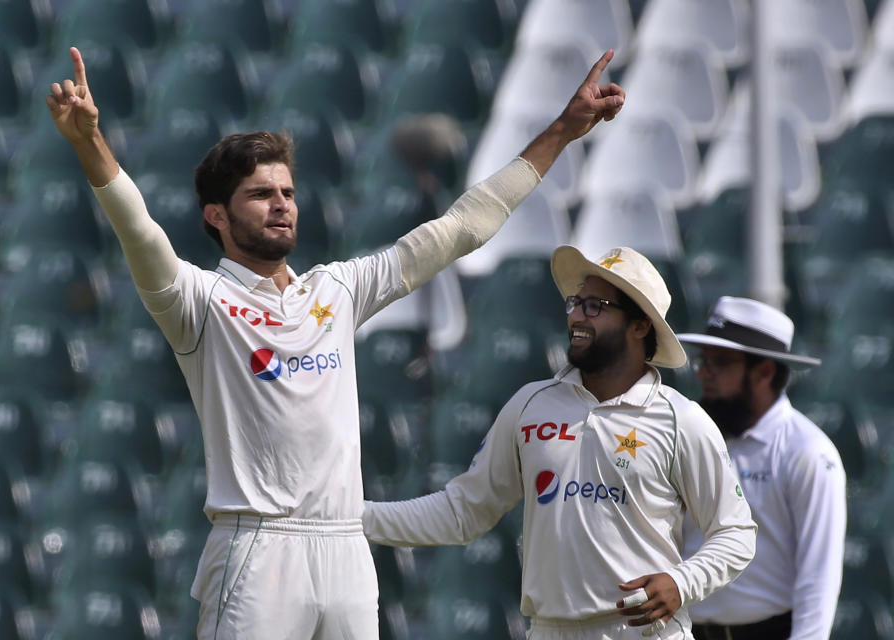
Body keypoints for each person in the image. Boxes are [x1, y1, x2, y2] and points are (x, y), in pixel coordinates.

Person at [46, 44, 627, 640]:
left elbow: (462, 228)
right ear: (216, 216)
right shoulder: (198, 302)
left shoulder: (337, 290)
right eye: (260, 194)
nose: (280, 205)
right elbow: (140, 232)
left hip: (346, 550)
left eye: (288, 193)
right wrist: (90, 143)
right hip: (258, 550)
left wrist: (562, 130)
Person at [363, 245, 757, 640]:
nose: (576, 316)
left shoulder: (680, 419)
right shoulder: (530, 404)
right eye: (575, 302)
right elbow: (462, 512)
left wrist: (683, 582)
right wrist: (349, 518)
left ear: (639, 326)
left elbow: (736, 532)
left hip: (644, 632)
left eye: (595, 305)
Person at [677, 297, 846, 640]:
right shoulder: (693, 436)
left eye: (720, 362)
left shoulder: (808, 452)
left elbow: (819, 577)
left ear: (765, 371)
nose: (703, 373)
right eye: (703, 360)